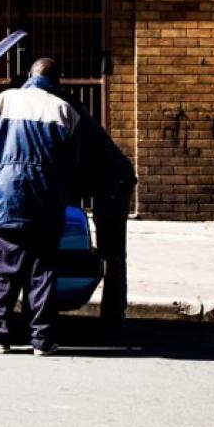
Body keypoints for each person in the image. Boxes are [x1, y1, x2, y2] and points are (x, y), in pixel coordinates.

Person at [0, 57, 79, 356]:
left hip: (6, 198)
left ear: (29, 76)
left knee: (3, 270)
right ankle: (43, 341)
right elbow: (71, 168)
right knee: (42, 273)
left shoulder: (4, 101)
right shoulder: (67, 112)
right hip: (46, 204)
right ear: (56, 81)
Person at [76, 110, 137, 337]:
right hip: (109, 179)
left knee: (112, 253)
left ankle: (113, 319)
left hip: (113, 182)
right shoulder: (67, 109)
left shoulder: (63, 113)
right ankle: (112, 318)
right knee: (111, 253)